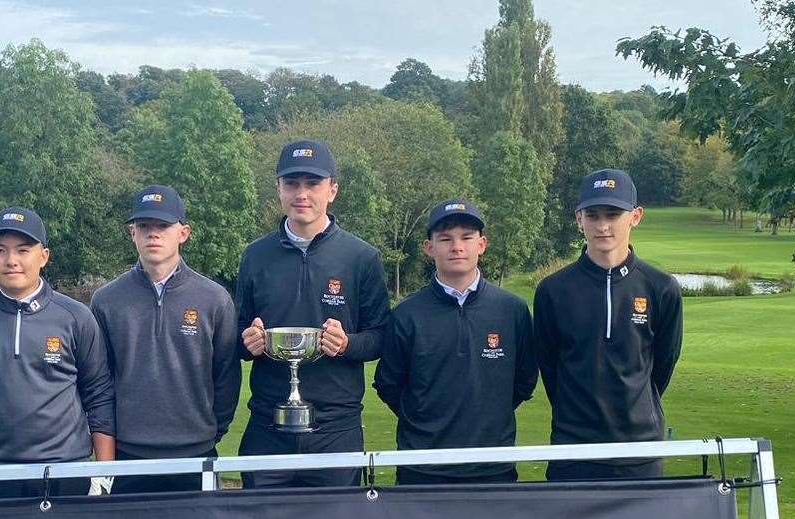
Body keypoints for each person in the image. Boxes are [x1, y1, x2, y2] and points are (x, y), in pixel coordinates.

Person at [236, 139, 391, 488]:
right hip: (267, 428)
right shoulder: (255, 256)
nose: (301, 194)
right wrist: (247, 342)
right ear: (278, 189)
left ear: (332, 190)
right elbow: (235, 335)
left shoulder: (361, 257)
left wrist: (347, 344)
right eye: (291, 184)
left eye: (312, 184)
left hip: (336, 429)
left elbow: (382, 336)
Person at [0, 207, 115, 500]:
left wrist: (105, 477)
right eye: (0, 250)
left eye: (23, 250)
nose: (11, 261)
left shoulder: (75, 317)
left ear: (44, 256)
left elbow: (99, 397)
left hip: (65, 472)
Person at [533, 169, 683, 481]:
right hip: (572, 451)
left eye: (613, 214)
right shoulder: (553, 291)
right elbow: (551, 369)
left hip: (640, 452)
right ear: (579, 218)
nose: (602, 226)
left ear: (635, 216)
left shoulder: (661, 287)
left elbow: (661, 366)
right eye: (593, 215)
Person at [374, 199, 537, 484]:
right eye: (445, 239)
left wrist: (488, 417)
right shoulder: (406, 314)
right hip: (421, 469)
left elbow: (524, 381)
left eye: (466, 238)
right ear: (429, 248)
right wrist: (426, 422)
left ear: (482, 244)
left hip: (492, 467)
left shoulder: (512, 310)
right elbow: (389, 384)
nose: (457, 247)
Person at [90, 185, 240, 493]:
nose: (153, 234)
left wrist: (211, 430)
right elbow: (99, 382)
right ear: (132, 233)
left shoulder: (213, 298)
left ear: (183, 233)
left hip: (196, 453)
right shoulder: (106, 300)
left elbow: (226, 376)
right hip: (129, 455)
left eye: (163, 226)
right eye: (144, 227)